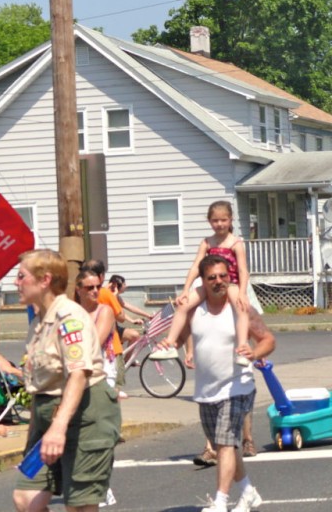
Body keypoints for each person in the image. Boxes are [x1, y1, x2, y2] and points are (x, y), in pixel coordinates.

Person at [159, 255, 275, 512]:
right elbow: (178, 339)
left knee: (224, 444)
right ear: (203, 280)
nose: (219, 281)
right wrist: (168, 344)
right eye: (212, 277)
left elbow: (268, 340)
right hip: (206, 390)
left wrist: (253, 354)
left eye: (224, 276)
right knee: (227, 446)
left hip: (238, 386)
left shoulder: (241, 306)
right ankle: (248, 492)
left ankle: (220, 502)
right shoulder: (193, 309)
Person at [13, 249, 120, 512]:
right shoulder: (40, 320)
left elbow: (78, 373)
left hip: (85, 416)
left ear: (45, 279)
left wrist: (58, 427)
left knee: (79, 505)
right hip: (47, 415)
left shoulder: (69, 317)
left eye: (21, 276)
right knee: (26, 499)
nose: (16, 283)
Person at [176, 200, 251, 367]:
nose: (219, 224)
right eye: (215, 220)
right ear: (209, 221)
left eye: (223, 220)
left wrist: (242, 293)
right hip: (208, 285)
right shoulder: (207, 242)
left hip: (230, 284)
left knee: (241, 308)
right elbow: (196, 266)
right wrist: (185, 290)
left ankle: (242, 349)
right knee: (184, 306)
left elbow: (243, 270)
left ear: (231, 220)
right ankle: (175, 345)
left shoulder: (236, 243)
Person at [80, 259, 139, 399]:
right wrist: (113, 296)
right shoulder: (105, 293)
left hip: (85, 348)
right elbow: (121, 316)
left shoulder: (78, 294)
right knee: (111, 388)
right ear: (101, 276)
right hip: (109, 348)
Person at [76, 270, 117, 388]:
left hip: (102, 373)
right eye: (90, 288)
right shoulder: (74, 312)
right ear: (78, 290)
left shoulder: (104, 311)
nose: (95, 291)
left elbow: (96, 343)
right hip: (79, 371)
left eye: (98, 287)